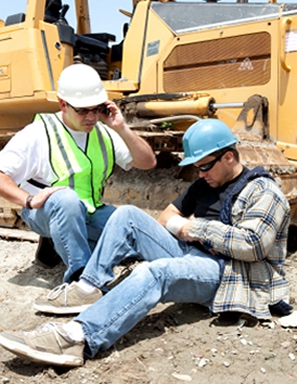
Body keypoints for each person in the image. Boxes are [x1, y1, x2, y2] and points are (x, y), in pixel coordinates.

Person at [0, 118, 292, 367]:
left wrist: (194, 227)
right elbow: (167, 216)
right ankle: (89, 286)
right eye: (198, 169)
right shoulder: (204, 183)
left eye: (205, 167)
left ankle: (77, 338)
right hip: (194, 254)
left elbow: (253, 245)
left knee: (154, 273)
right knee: (127, 215)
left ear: (228, 157)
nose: (201, 174)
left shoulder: (263, 192)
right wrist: (184, 228)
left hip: (229, 274)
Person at [0, 63, 156, 284]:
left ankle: (57, 244)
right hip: (48, 211)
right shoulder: (39, 132)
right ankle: (82, 280)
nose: (91, 117)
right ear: (63, 104)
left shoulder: (103, 132)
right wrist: (29, 200)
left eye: (97, 108)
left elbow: (148, 162)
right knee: (67, 200)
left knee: (134, 241)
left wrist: (121, 127)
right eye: (82, 110)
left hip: (89, 210)